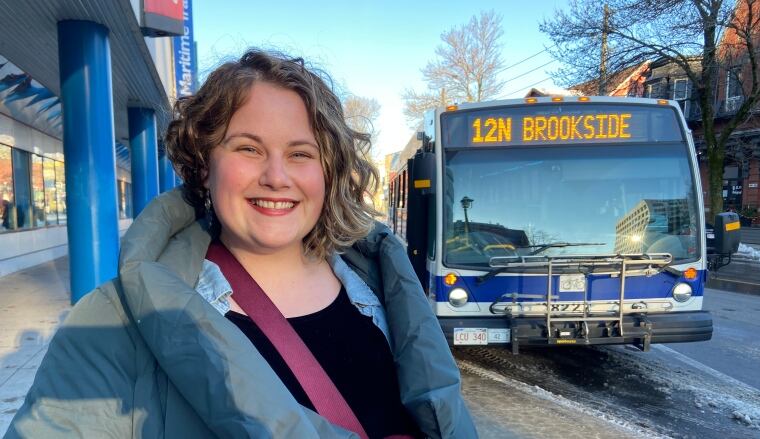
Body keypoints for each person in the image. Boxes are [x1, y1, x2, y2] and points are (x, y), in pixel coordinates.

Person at [7, 50, 477, 438]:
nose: (276, 177)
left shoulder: (381, 286)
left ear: (327, 172)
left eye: (300, 154)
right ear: (203, 164)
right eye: (248, 148)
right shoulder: (115, 323)